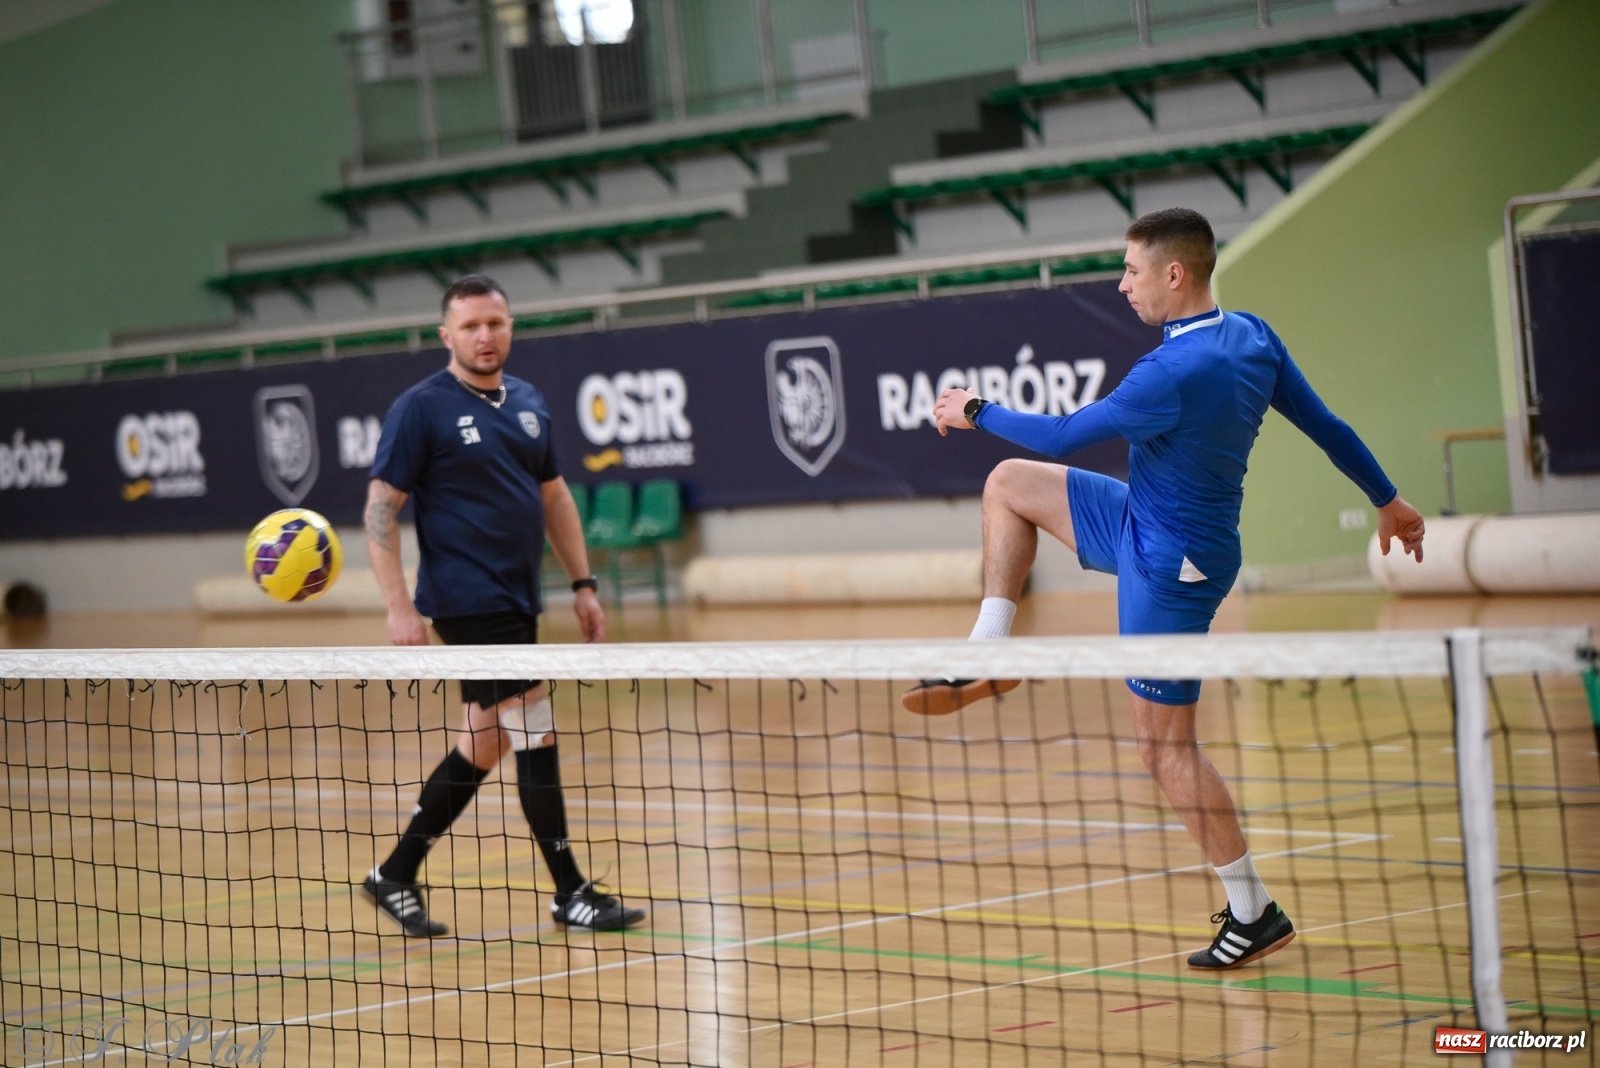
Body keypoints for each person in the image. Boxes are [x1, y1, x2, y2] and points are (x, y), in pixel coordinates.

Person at [902, 208, 1425, 970]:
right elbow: (1326, 425)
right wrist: (1388, 499)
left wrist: (973, 409)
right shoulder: (1251, 336)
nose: (1122, 285)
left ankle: (1253, 911)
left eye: (1132, 271)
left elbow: (1064, 435)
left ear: (1174, 274)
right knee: (1009, 484)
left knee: (1162, 748)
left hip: (1172, 565)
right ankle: (987, 650)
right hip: (1144, 517)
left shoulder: (1175, 372)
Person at [360, 273, 646, 937]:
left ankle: (394, 873)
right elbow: (381, 509)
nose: (484, 337)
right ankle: (571, 891)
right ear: (446, 335)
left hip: (519, 597)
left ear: (509, 327)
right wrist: (399, 607)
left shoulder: (527, 400)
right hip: (468, 599)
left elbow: (554, 496)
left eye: (495, 323)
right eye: (470, 327)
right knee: (534, 729)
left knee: (485, 744)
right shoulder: (420, 408)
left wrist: (582, 585)